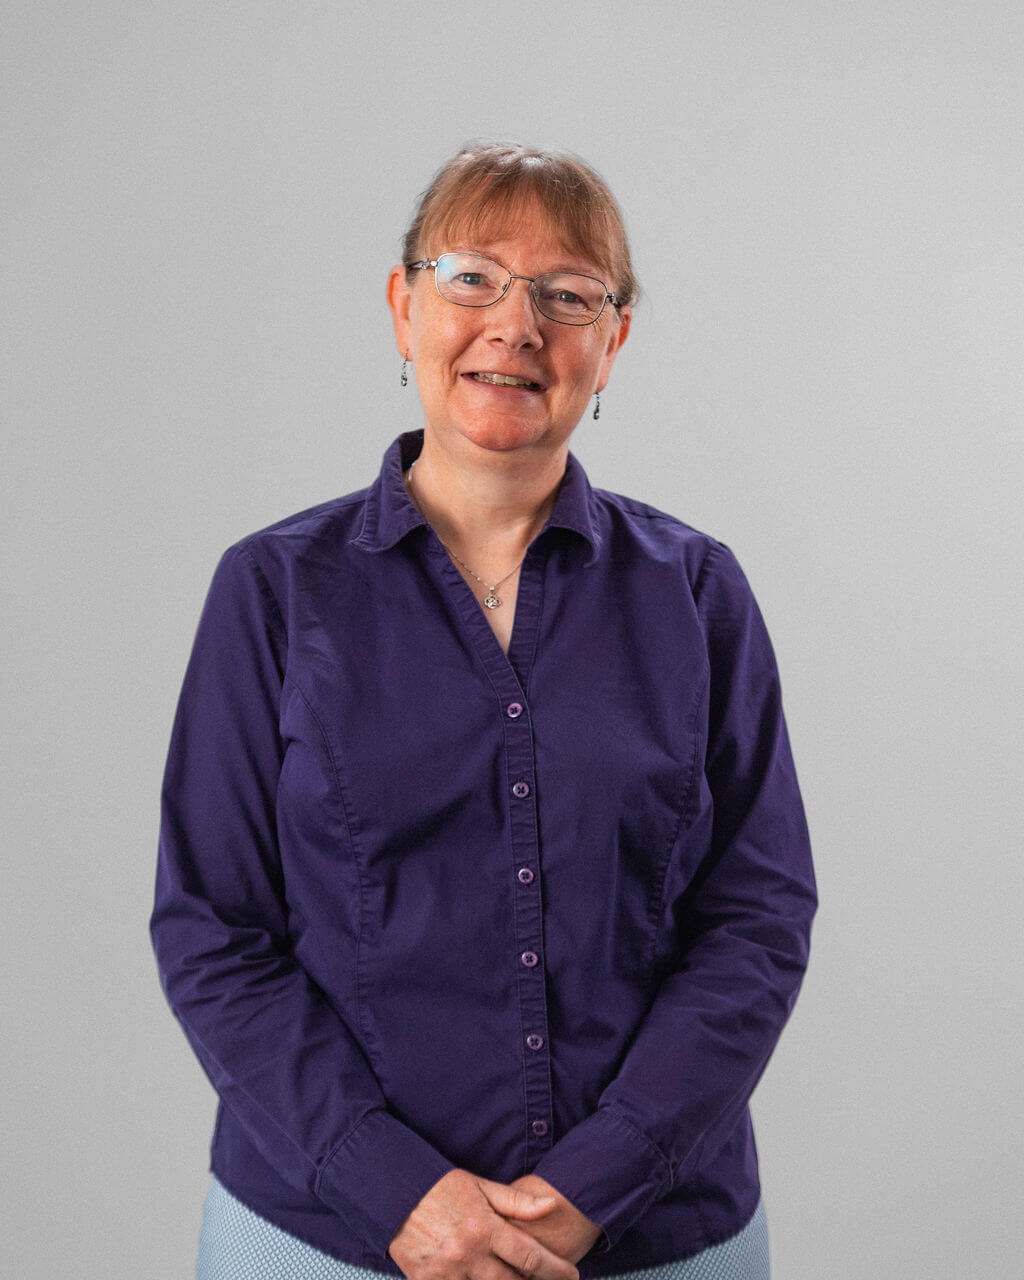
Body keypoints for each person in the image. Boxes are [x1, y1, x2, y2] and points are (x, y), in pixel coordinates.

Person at [150, 142, 818, 1280]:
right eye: (471, 277)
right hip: (327, 1236)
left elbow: (754, 921)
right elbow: (213, 931)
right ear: (403, 307)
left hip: (654, 1235)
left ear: (611, 344)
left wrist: (592, 1184)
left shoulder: (697, 592)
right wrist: (392, 1187)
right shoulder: (272, 590)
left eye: (567, 295)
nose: (516, 325)